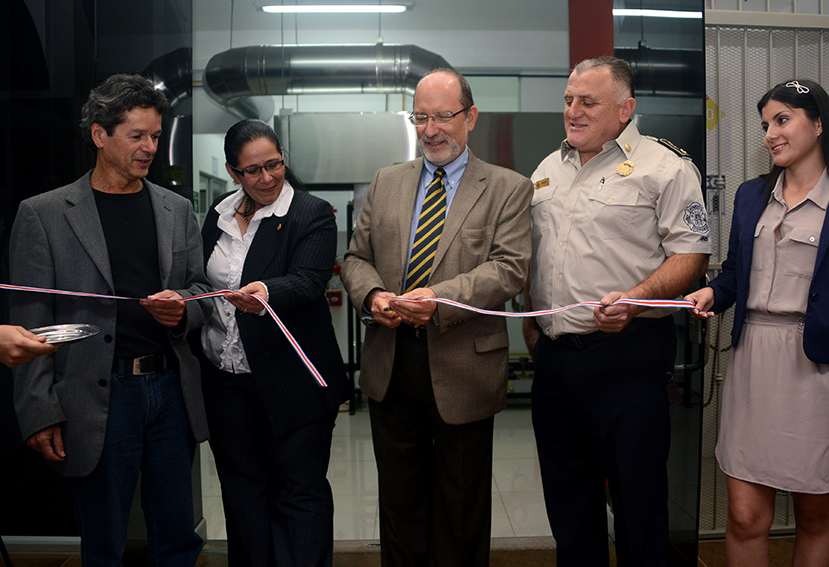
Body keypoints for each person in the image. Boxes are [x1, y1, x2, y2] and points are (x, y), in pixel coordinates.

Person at [9, 73, 211, 566]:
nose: (150, 148)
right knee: (104, 541)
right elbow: (29, 319)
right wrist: (39, 410)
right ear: (100, 134)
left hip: (168, 392)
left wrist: (183, 309)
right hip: (95, 396)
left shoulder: (176, 209)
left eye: (156, 137)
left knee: (177, 535)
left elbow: (204, 290)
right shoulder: (44, 214)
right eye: (137, 136)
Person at [341, 68, 533, 567]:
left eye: (443, 116)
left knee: (461, 507)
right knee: (400, 504)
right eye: (420, 117)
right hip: (392, 364)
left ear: (470, 117)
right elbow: (356, 258)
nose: (431, 129)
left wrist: (439, 299)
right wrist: (374, 295)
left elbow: (509, 269)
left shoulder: (508, 188)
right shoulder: (386, 182)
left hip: (463, 368)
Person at [523, 56, 711, 566]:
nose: (573, 111)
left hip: (628, 356)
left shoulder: (666, 167)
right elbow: (535, 258)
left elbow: (692, 255)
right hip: (558, 362)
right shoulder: (546, 169)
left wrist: (634, 300)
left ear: (625, 108)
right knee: (568, 499)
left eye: (588, 101)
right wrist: (535, 326)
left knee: (637, 501)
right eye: (568, 100)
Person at [685, 79, 829, 567]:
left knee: (816, 516)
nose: (769, 133)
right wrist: (712, 292)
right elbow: (733, 273)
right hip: (754, 360)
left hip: (817, 366)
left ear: (818, 124)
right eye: (765, 123)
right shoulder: (751, 195)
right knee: (745, 517)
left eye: (782, 120)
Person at [198, 119, 351, 567]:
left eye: (274, 164)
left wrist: (266, 293)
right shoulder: (219, 214)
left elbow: (307, 281)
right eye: (252, 170)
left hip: (293, 382)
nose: (266, 178)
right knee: (243, 491)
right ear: (232, 172)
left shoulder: (311, 212)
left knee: (298, 493)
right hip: (227, 381)